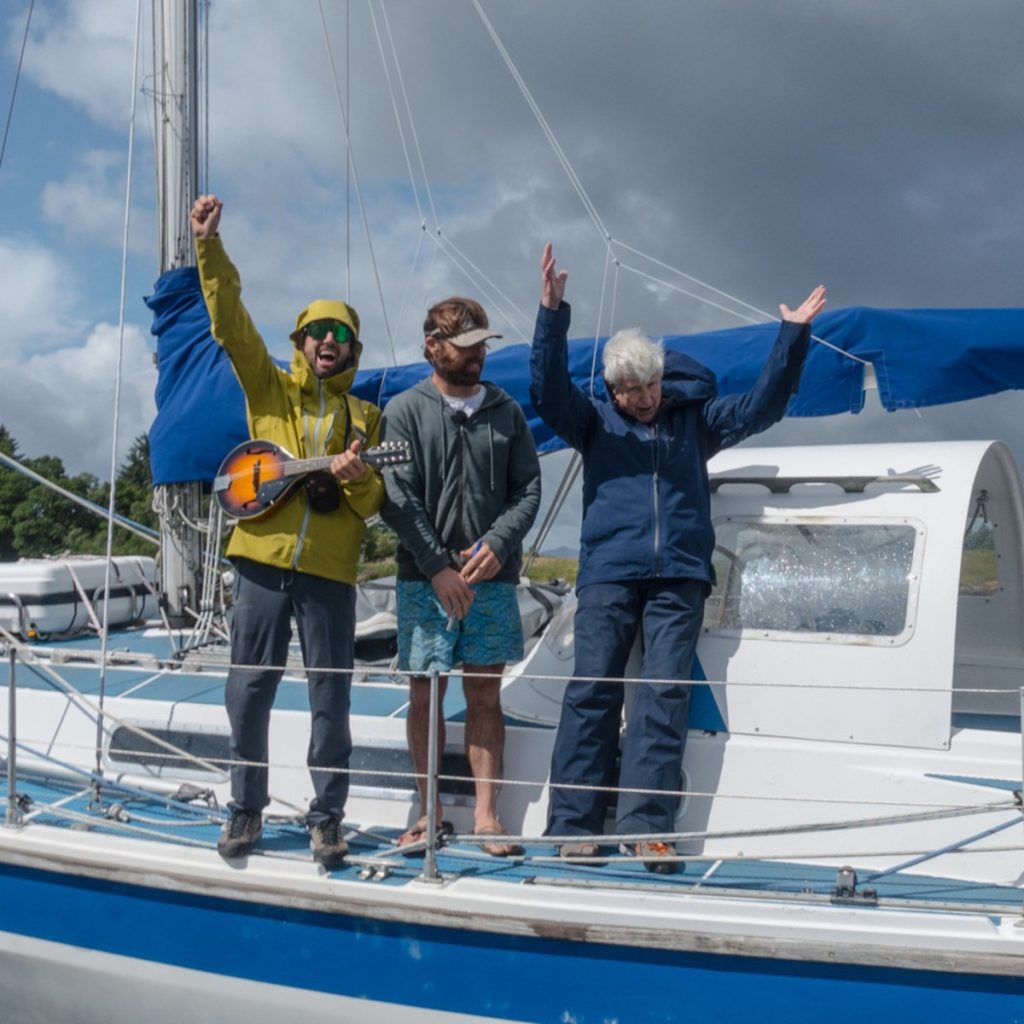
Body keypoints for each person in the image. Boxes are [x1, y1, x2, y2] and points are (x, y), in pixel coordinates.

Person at [531, 242, 826, 873]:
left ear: (664, 380)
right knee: (592, 691)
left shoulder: (699, 423)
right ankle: (573, 824)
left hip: (679, 578)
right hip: (609, 572)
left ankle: (647, 828)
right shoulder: (593, 425)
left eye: (651, 385)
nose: (642, 398)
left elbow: (763, 407)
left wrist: (792, 337)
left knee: (663, 693)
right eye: (630, 390)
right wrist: (552, 315)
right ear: (612, 391)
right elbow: (546, 390)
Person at [190, 194, 384, 868]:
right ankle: (246, 808)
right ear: (300, 343)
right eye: (316, 332)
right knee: (249, 689)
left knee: (332, 698)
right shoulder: (268, 389)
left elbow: (373, 501)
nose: (327, 342)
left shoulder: (367, 417)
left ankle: (327, 819)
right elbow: (231, 323)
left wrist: (355, 476)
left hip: (330, 573)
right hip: (260, 561)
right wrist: (209, 250)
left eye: (340, 334)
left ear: (353, 348)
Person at [380, 297, 541, 856]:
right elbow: (395, 498)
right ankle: (427, 814)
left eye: (482, 346)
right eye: (465, 347)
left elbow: (528, 491)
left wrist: (499, 544)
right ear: (432, 346)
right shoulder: (402, 411)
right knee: (425, 693)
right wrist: (438, 567)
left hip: (492, 580)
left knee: (484, 695)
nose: (477, 357)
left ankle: (488, 818)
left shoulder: (507, 413)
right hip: (425, 580)